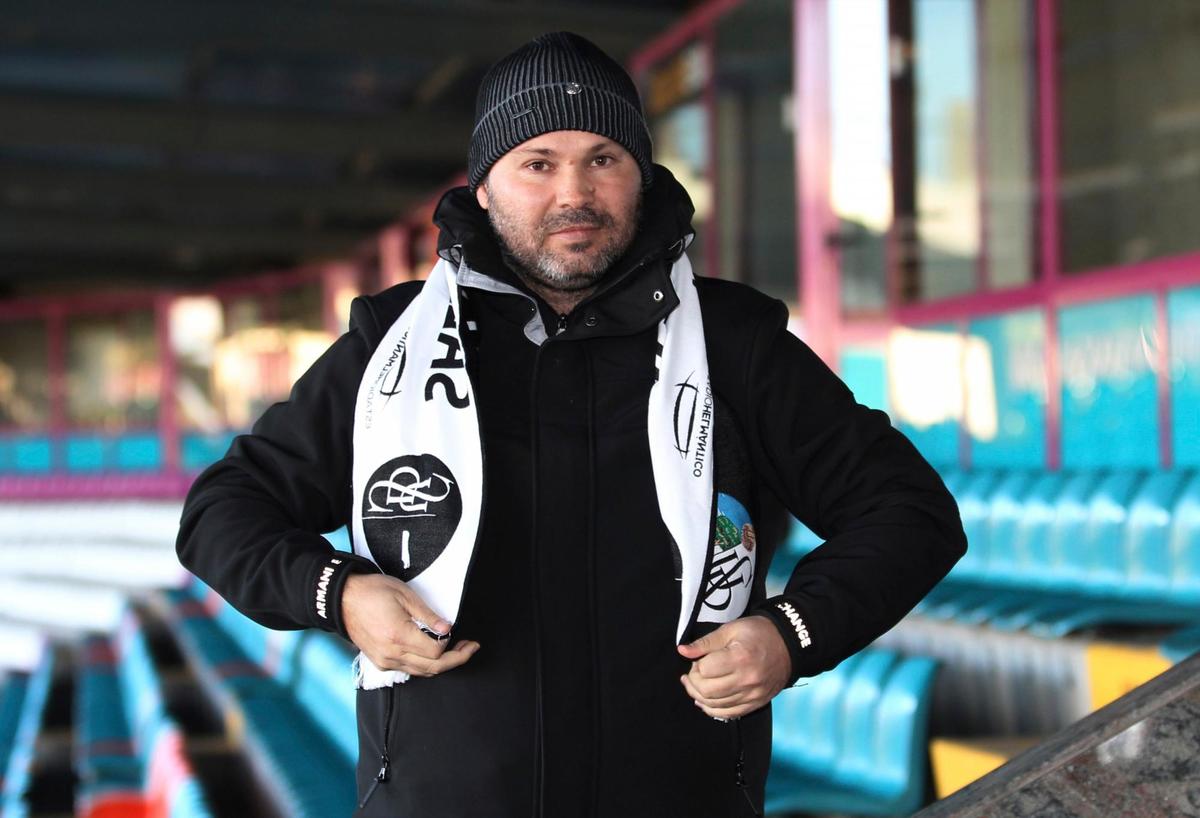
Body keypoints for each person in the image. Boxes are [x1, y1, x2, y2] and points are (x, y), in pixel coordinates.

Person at [176, 31, 966, 818]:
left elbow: (911, 514)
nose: (574, 194)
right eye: (538, 163)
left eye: (604, 159)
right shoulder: (392, 347)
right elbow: (223, 513)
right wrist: (340, 595)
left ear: (642, 179)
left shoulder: (733, 344)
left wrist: (793, 634)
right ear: (484, 187)